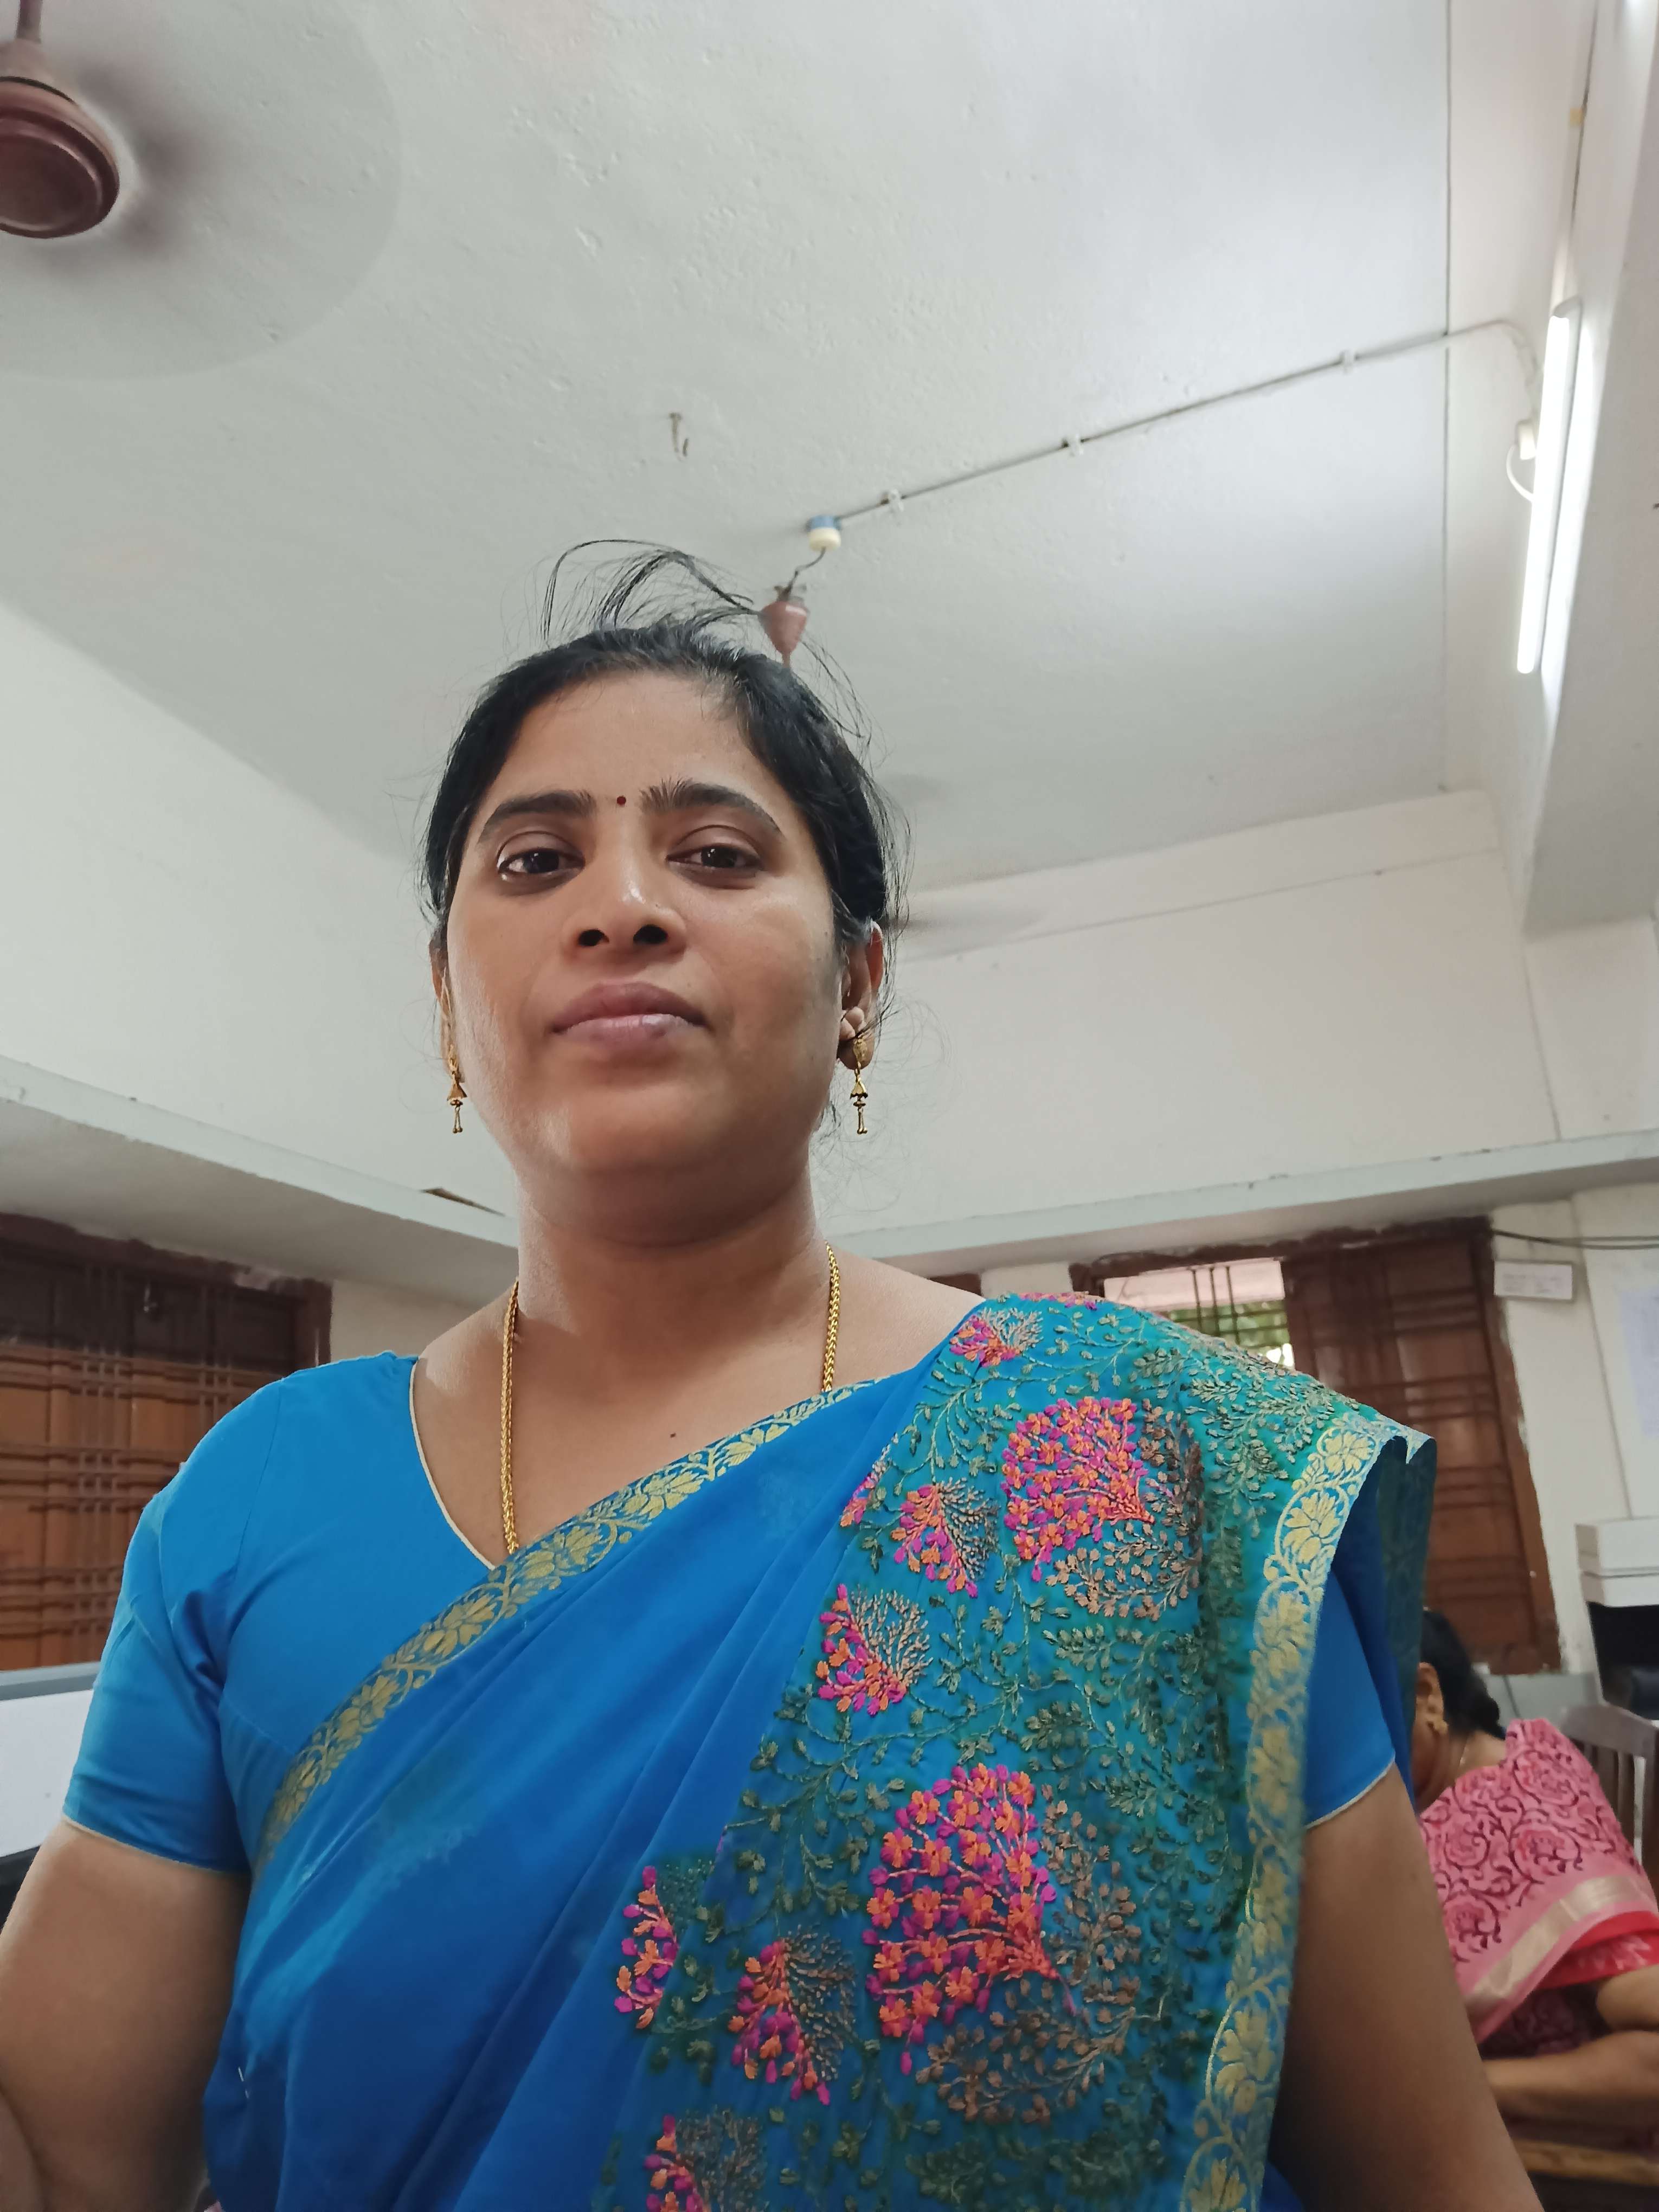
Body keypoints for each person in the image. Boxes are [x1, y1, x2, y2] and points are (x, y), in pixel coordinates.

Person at [0, 552, 1536, 2211]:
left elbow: (1435, 2178)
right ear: (449, 997)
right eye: (535, 860)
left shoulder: (1153, 1469)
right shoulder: (260, 1493)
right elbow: (73, 2155)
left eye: (718, 854)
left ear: (857, 983)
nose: (622, 906)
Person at [1415, 1607, 1659, 2138]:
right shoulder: (1507, 1757)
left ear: (1426, 1695)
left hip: (1563, 2139)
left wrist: (1466, 2086)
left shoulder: (1523, 1819)